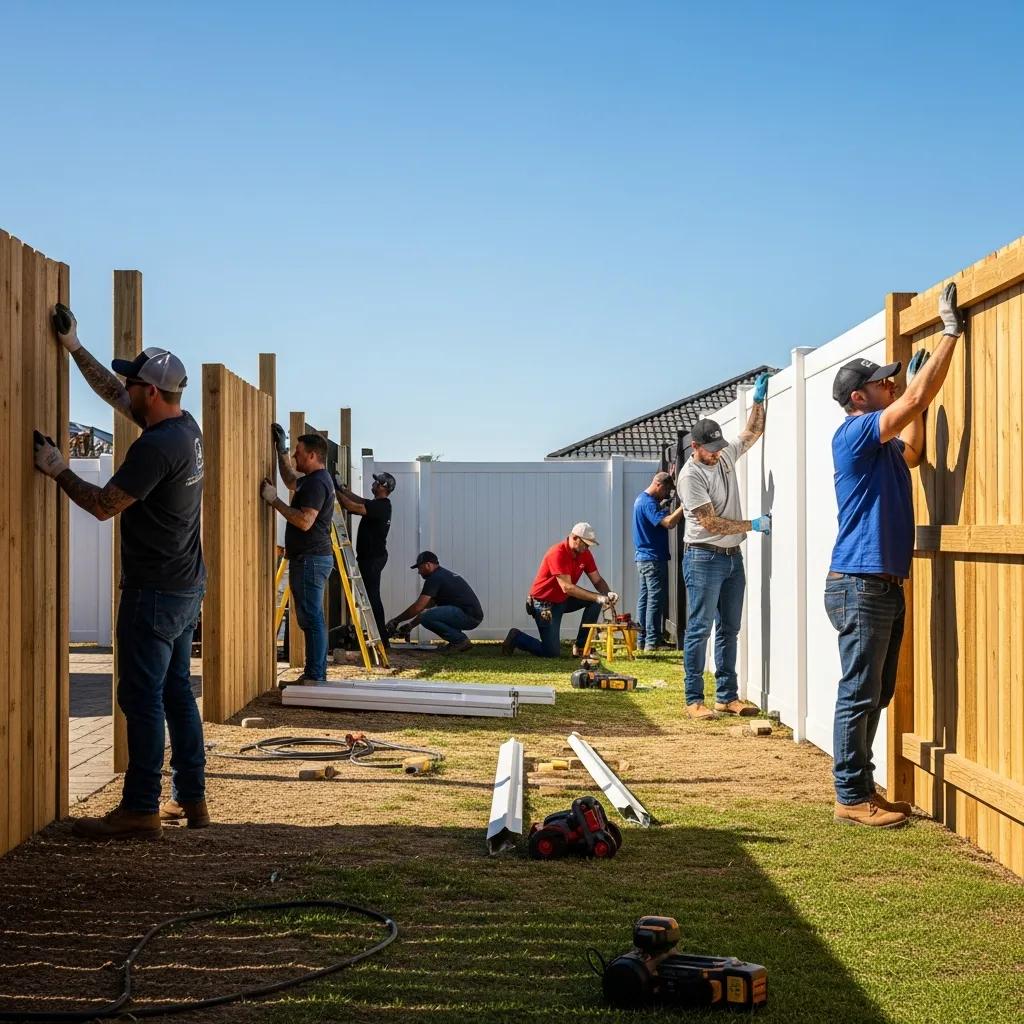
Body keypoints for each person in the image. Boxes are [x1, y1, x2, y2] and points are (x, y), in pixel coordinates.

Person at [34, 305, 207, 839]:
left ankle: (140, 808)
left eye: (134, 382)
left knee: (141, 698)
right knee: (176, 690)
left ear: (151, 393)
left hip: (153, 591)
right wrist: (75, 347)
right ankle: (191, 801)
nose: (126, 388)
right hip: (184, 585)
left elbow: (106, 504)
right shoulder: (183, 426)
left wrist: (59, 470)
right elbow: (115, 393)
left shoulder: (155, 448)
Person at [826, 283, 964, 829]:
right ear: (860, 396)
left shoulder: (880, 446)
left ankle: (861, 788)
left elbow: (915, 449)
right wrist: (951, 335)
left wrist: (914, 400)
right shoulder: (854, 434)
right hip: (859, 582)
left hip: (879, 583)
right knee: (859, 692)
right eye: (881, 381)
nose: (890, 383)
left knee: (876, 691)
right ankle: (850, 797)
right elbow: (912, 403)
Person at [678, 371, 772, 721]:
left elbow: (751, 433)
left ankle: (726, 697)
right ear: (695, 448)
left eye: (719, 448)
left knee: (729, 628)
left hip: (733, 558)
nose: (717, 454)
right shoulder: (690, 477)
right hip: (703, 558)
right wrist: (753, 525)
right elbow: (710, 522)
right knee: (701, 627)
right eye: (710, 450)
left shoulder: (724, 454)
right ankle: (693, 700)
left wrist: (759, 401)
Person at [262, 429, 336, 683]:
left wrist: (275, 502)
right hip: (311, 558)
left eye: (298, 452)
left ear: (313, 455)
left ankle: (315, 675)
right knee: (311, 618)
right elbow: (290, 479)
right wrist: (280, 451)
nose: (295, 456)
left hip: (311, 559)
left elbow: (305, 521)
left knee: (311, 619)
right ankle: (316, 673)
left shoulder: (316, 483)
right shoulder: (312, 479)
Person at [502, 523, 618, 658]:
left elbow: (597, 580)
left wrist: (608, 594)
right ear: (574, 538)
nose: (587, 548)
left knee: (596, 601)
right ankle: (517, 637)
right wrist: (598, 597)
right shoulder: (557, 552)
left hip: (562, 599)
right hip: (544, 604)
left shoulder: (585, 554)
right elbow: (567, 587)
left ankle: (581, 647)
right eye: (585, 544)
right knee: (551, 653)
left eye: (589, 545)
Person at [333, 470, 395, 646]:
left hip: (373, 559)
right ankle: (381, 638)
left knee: (372, 598)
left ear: (383, 487)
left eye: (377, 482)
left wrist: (332, 489)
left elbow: (352, 506)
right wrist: (342, 488)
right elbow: (357, 500)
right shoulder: (377, 504)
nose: (373, 484)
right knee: (371, 597)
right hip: (372, 557)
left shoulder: (382, 505)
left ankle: (381, 640)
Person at [385, 552, 484, 654]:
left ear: (428, 565)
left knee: (426, 618)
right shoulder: (442, 575)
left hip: (467, 616)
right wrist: (410, 626)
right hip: (470, 615)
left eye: (420, 568)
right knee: (428, 616)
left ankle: (460, 641)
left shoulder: (434, 578)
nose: (419, 572)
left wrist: (396, 620)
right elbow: (426, 608)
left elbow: (418, 607)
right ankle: (456, 641)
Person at [633, 470, 686, 651]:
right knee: (655, 600)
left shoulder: (641, 499)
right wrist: (684, 507)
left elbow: (655, 513)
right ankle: (652, 642)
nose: (667, 495)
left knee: (645, 598)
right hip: (653, 559)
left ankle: (642, 640)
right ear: (659, 486)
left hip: (643, 558)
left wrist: (664, 504)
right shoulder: (648, 504)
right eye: (666, 491)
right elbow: (669, 523)